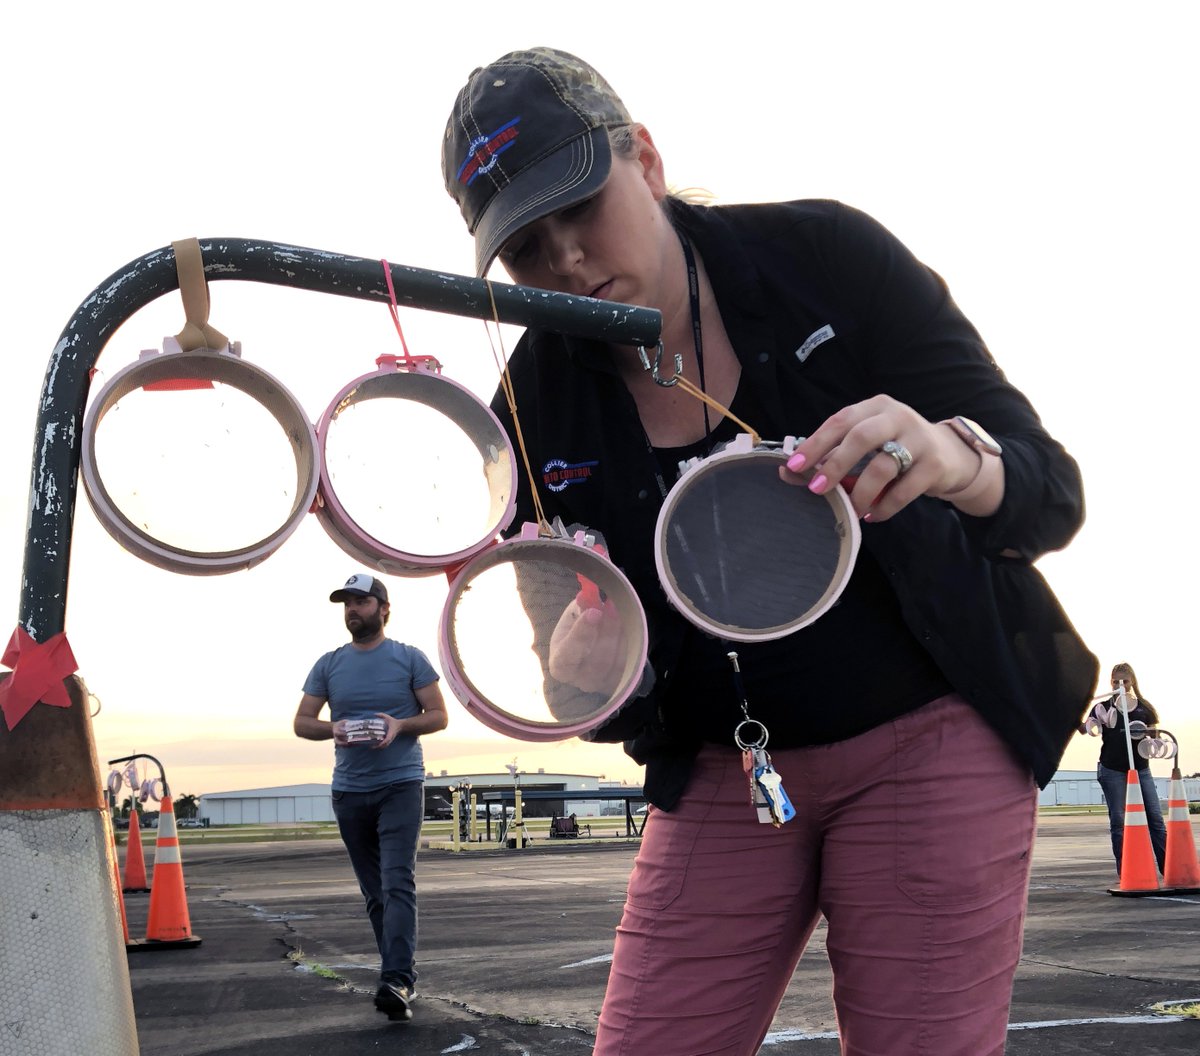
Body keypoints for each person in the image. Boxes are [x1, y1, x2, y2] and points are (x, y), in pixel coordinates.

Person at [441, 48, 1097, 1056]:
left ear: (646, 160)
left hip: (930, 728)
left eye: (584, 206)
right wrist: (583, 672)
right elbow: (574, 674)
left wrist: (943, 455)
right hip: (723, 766)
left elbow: (1047, 494)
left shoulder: (825, 257)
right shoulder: (531, 404)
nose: (567, 258)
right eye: (526, 246)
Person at [293, 573, 448, 1022]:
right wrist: (333, 729)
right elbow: (303, 722)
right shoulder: (329, 664)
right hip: (349, 792)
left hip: (400, 784)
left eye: (361, 602)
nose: (352, 610)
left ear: (383, 608)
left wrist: (400, 725)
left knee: (397, 881)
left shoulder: (409, 658)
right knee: (375, 893)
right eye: (347, 604)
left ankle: (397, 979)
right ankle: (395, 975)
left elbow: (438, 715)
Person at [1087, 662, 1168, 875]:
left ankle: (1168, 868)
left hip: (1141, 769)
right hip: (1112, 769)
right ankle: (1127, 872)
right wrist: (1074, 712)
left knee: (1155, 818)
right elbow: (1086, 729)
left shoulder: (1144, 708)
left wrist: (1152, 739)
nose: (1120, 685)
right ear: (1110, 682)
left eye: (1125, 681)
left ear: (1132, 682)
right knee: (1119, 821)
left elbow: (1155, 737)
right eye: (1116, 681)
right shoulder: (1102, 707)